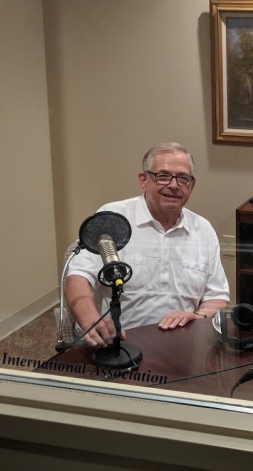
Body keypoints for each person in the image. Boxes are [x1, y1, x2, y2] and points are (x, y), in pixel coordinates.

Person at [65, 142, 229, 348]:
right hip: (119, 343)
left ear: (191, 185)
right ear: (143, 181)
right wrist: (91, 320)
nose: (173, 185)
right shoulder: (112, 219)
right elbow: (78, 277)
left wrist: (198, 316)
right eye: (163, 176)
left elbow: (217, 297)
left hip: (181, 345)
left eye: (183, 178)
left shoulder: (203, 229)